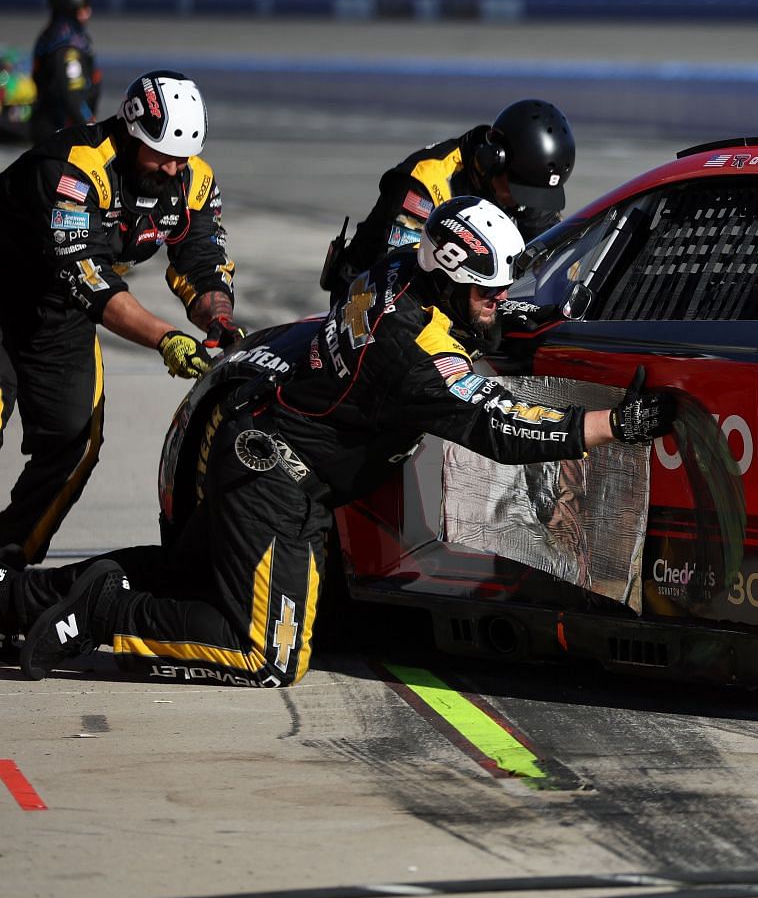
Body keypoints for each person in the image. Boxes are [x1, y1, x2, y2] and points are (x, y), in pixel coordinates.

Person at [0, 197, 674, 686]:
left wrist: (516, 312)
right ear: (446, 279)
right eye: (487, 293)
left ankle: (16, 599)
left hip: (260, 448)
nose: (497, 303)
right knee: (267, 655)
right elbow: (495, 424)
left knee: (189, 580)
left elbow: (467, 330)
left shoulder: (393, 272)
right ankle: (98, 607)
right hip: (276, 481)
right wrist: (614, 425)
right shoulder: (412, 350)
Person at [0, 70, 242, 568]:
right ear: (132, 133)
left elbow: (201, 262)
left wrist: (219, 320)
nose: (174, 169)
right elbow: (90, 281)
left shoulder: (193, 180)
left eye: (184, 156)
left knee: (75, 441)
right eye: (162, 154)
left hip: (56, 313)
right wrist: (166, 339)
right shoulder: (72, 168)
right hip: (14, 292)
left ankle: (8, 562)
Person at [322, 99, 575, 297]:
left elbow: (557, 262)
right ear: (492, 160)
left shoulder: (524, 185)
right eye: (522, 191)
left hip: (463, 305)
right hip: (373, 303)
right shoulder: (425, 182)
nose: (524, 202)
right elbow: (400, 282)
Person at [30, 0, 100, 145]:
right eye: (83, 8)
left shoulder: (55, 35)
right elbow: (72, 95)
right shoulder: (66, 48)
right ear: (71, 9)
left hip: (54, 123)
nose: (88, 12)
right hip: (59, 128)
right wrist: (90, 127)